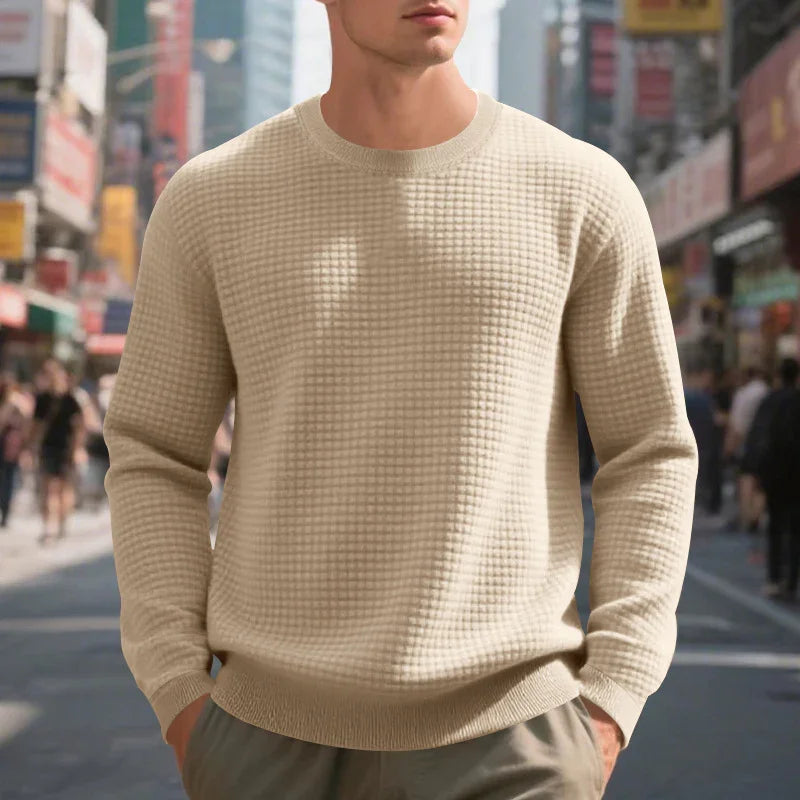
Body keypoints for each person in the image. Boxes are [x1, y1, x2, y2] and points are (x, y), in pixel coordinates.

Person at [102, 2, 699, 798]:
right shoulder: (213, 198)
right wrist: (180, 694)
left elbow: (650, 449)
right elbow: (153, 453)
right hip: (262, 747)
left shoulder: (582, 191)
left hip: (518, 744)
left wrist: (613, 697)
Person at [747, 357, 800, 602]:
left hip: (775, 472)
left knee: (776, 526)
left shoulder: (770, 401)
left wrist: (755, 470)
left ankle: (774, 577)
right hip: (795, 471)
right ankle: (792, 580)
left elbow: (758, 433)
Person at [27, 359, 84, 544]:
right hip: (51, 447)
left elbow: (79, 427)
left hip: (63, 449)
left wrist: (76, 449)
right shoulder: (50, 399)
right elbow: (35, 426)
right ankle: (52, 526)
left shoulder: (69, 399)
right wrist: (29, 447)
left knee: (60, 489)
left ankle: (58, 524)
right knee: (51, 488)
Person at [725, 365, 770, 539]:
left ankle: (747, 518)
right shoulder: (767, 392)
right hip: (768, 443)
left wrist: (729, 447)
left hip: (749, 443)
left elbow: (737, 425)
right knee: (761, 485)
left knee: (746, 480)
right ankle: (756, 515)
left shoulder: (743, 394)